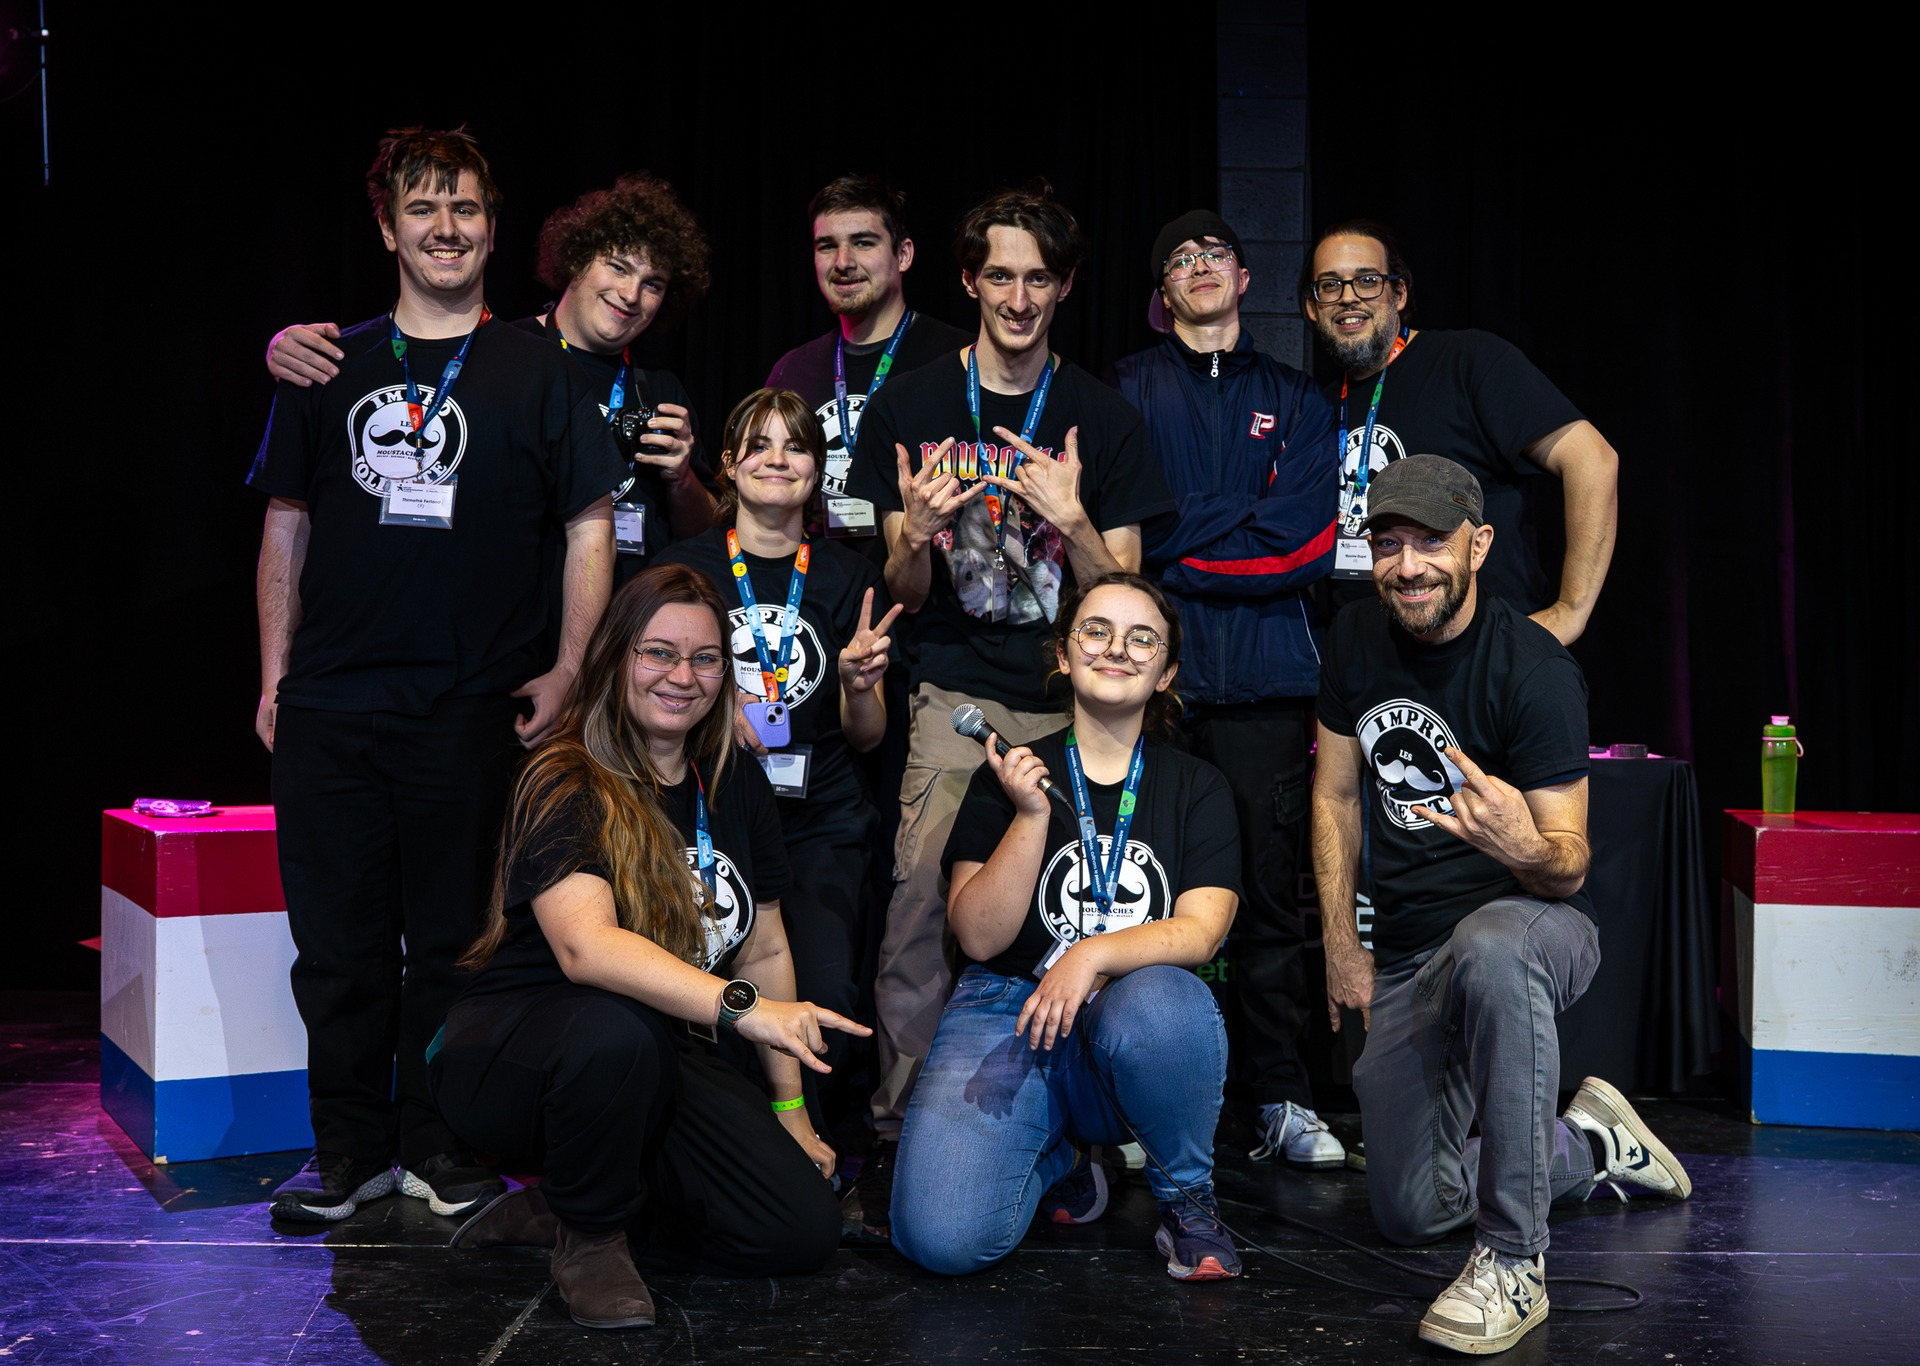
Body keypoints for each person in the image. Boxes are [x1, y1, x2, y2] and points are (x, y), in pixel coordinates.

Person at [247, 127, 626, 1223]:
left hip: (471, 711)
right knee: (337, 953)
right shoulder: (325, 363)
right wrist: (274, 674)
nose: (446, 228)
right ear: (386, 227)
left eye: (464, 208)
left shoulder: (538, 371)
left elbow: (590, 524)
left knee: (456, 951)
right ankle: (348, 1155)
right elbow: (286, 523)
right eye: (423, 208)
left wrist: (568, 667)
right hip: (330, 705)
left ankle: (444, 1149)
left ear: (493, 229)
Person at [842, 184, 1175, 1239]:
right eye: (1001, 275)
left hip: (1072, 698)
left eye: (1040, 277)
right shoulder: (913, 408)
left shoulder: (1105, 416)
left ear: (1065, 286)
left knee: (1079, 909)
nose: (1019, 296)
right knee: (919, 913)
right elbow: (899, 592)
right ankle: (901, 1133)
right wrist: (915, 536)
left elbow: (1121, 596)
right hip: (955, 693)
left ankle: (1072, 1126)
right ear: (970, 281)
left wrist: (1073, 519)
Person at [1312, 455, 1690, 1355]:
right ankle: (1589, 1143)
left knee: (1490, 943)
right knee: (1411, 1209)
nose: (1408, 566)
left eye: (1432, 543)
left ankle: (1515, 1260)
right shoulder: (1356, 640)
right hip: (1408, 949)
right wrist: (1342, 946)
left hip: (1534, 924)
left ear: (1477, 545)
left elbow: (1567, 865)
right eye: (1389, 545)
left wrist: (1513, 842)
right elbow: (1333, 797)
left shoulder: (1533, 667)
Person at [431, 564, 867, 1329]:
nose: (683, 676)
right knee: (614, 1028)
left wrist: (793, 1109)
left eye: (704, 658)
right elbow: (587, 950)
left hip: (658, 1054)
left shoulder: (733, 783)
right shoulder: (564, 776)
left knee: (799, 1231)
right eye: (658, 652)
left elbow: (764, 948)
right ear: (616, 659)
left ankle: (569, 1200)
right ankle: (590, 1240)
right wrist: (744, 1009)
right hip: (521, 1051)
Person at [890, 572, 1241, 1281]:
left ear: (1167, 671)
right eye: (1097, 631)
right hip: (1011, 1007)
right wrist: (1029, 815)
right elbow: (980, 939)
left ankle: (1186, 1199)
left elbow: (1202, 932)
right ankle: (1061, 1157)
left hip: (1133, 1016)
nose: (1118, 648)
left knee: (1169, 1000)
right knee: (941, 1241)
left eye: (1143, 637)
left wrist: (1090, 956)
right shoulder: (1012, 775)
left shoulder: (1196, 785)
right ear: (1063, 654)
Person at [1115, 210, 1344, 1169]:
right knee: (1136, 899)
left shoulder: (1299, 397)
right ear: (1162, 293)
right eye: (1180, 259)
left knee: (1260, 904)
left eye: (1215, 255)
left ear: (1246, 279)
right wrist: (1220, 525)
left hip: (1265, 689)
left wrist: (1182, 540)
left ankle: (1280, 1099)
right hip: (1148, 690)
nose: (1200, 268)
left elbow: (1302, 545)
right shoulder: (1125, 389)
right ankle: (1129, 1110)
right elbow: (1126, 529)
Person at [654, 389, 902, 1148]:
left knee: (824, 989)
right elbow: (648, 689)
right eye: (757, 445)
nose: (776, 459)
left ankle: (811, 1150)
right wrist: (709, 707)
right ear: (727, 465)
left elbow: (867, 738)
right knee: (714, 986)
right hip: (713, 812)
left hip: (822, 818)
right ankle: (723, 1146)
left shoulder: (850, 575)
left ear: (817, 471)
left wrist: (861, 689)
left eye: (795, 446)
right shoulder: (683, 569)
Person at [266, 172, 715, 574]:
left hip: (637, 627)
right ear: (577, 258)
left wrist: (681, 480)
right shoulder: (502, 353)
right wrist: (284, 347)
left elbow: (705, 531)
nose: (630, 294)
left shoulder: (659, 390)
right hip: (526, 623)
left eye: (652, 283)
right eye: (618, 267)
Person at [1299, 220, 1619, 645]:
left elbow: (1593, 460)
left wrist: (1571, 611)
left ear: (1399, 293)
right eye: (1330, 285)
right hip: (1370, 662)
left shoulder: (1469, 361)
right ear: (1312, 306)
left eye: (1368, 280)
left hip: (1486, 654)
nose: (1348, 297)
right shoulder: (1317, 407)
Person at [765, 175, 972, 547]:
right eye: (827, 246)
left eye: (863, 243)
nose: (843, 262)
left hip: (930, 592)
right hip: (820, 591)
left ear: (903, 254)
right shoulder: (792, 370)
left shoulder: (958, 359)